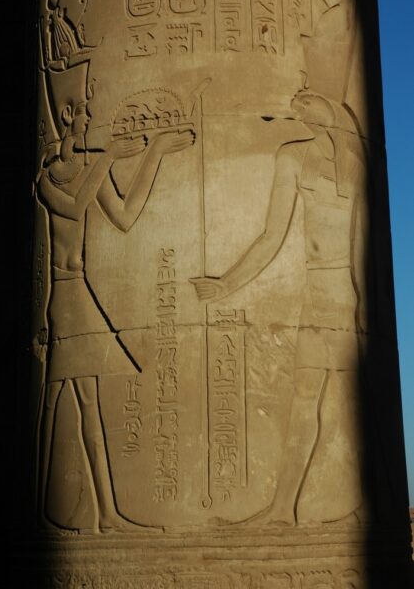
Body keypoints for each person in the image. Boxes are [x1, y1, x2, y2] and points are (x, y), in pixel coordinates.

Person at [191, 91, 368, 525]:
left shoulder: (355, 162)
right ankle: (284, 509)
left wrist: (363, 309)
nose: (297, 110)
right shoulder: (293, 156)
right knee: (307, 398)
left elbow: (364, 244)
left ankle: (359, 504)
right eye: (296, 105)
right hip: (318, 291)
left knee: (344, 399)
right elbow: (272, 236)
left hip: (342, 296)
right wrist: (227, 283)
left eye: (306, 100)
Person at [37, 59, 195, 533]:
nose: (91, 118)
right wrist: (107, 158)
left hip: (81, 293)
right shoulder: (48, 176)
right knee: (52, 400)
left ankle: (106, 514)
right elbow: (73, 208)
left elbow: (124, 216)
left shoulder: (91, 167)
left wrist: (154, 154)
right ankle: (45, 510)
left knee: (87, 403)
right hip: (63, 299)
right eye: (85, 111)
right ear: (67, 116)